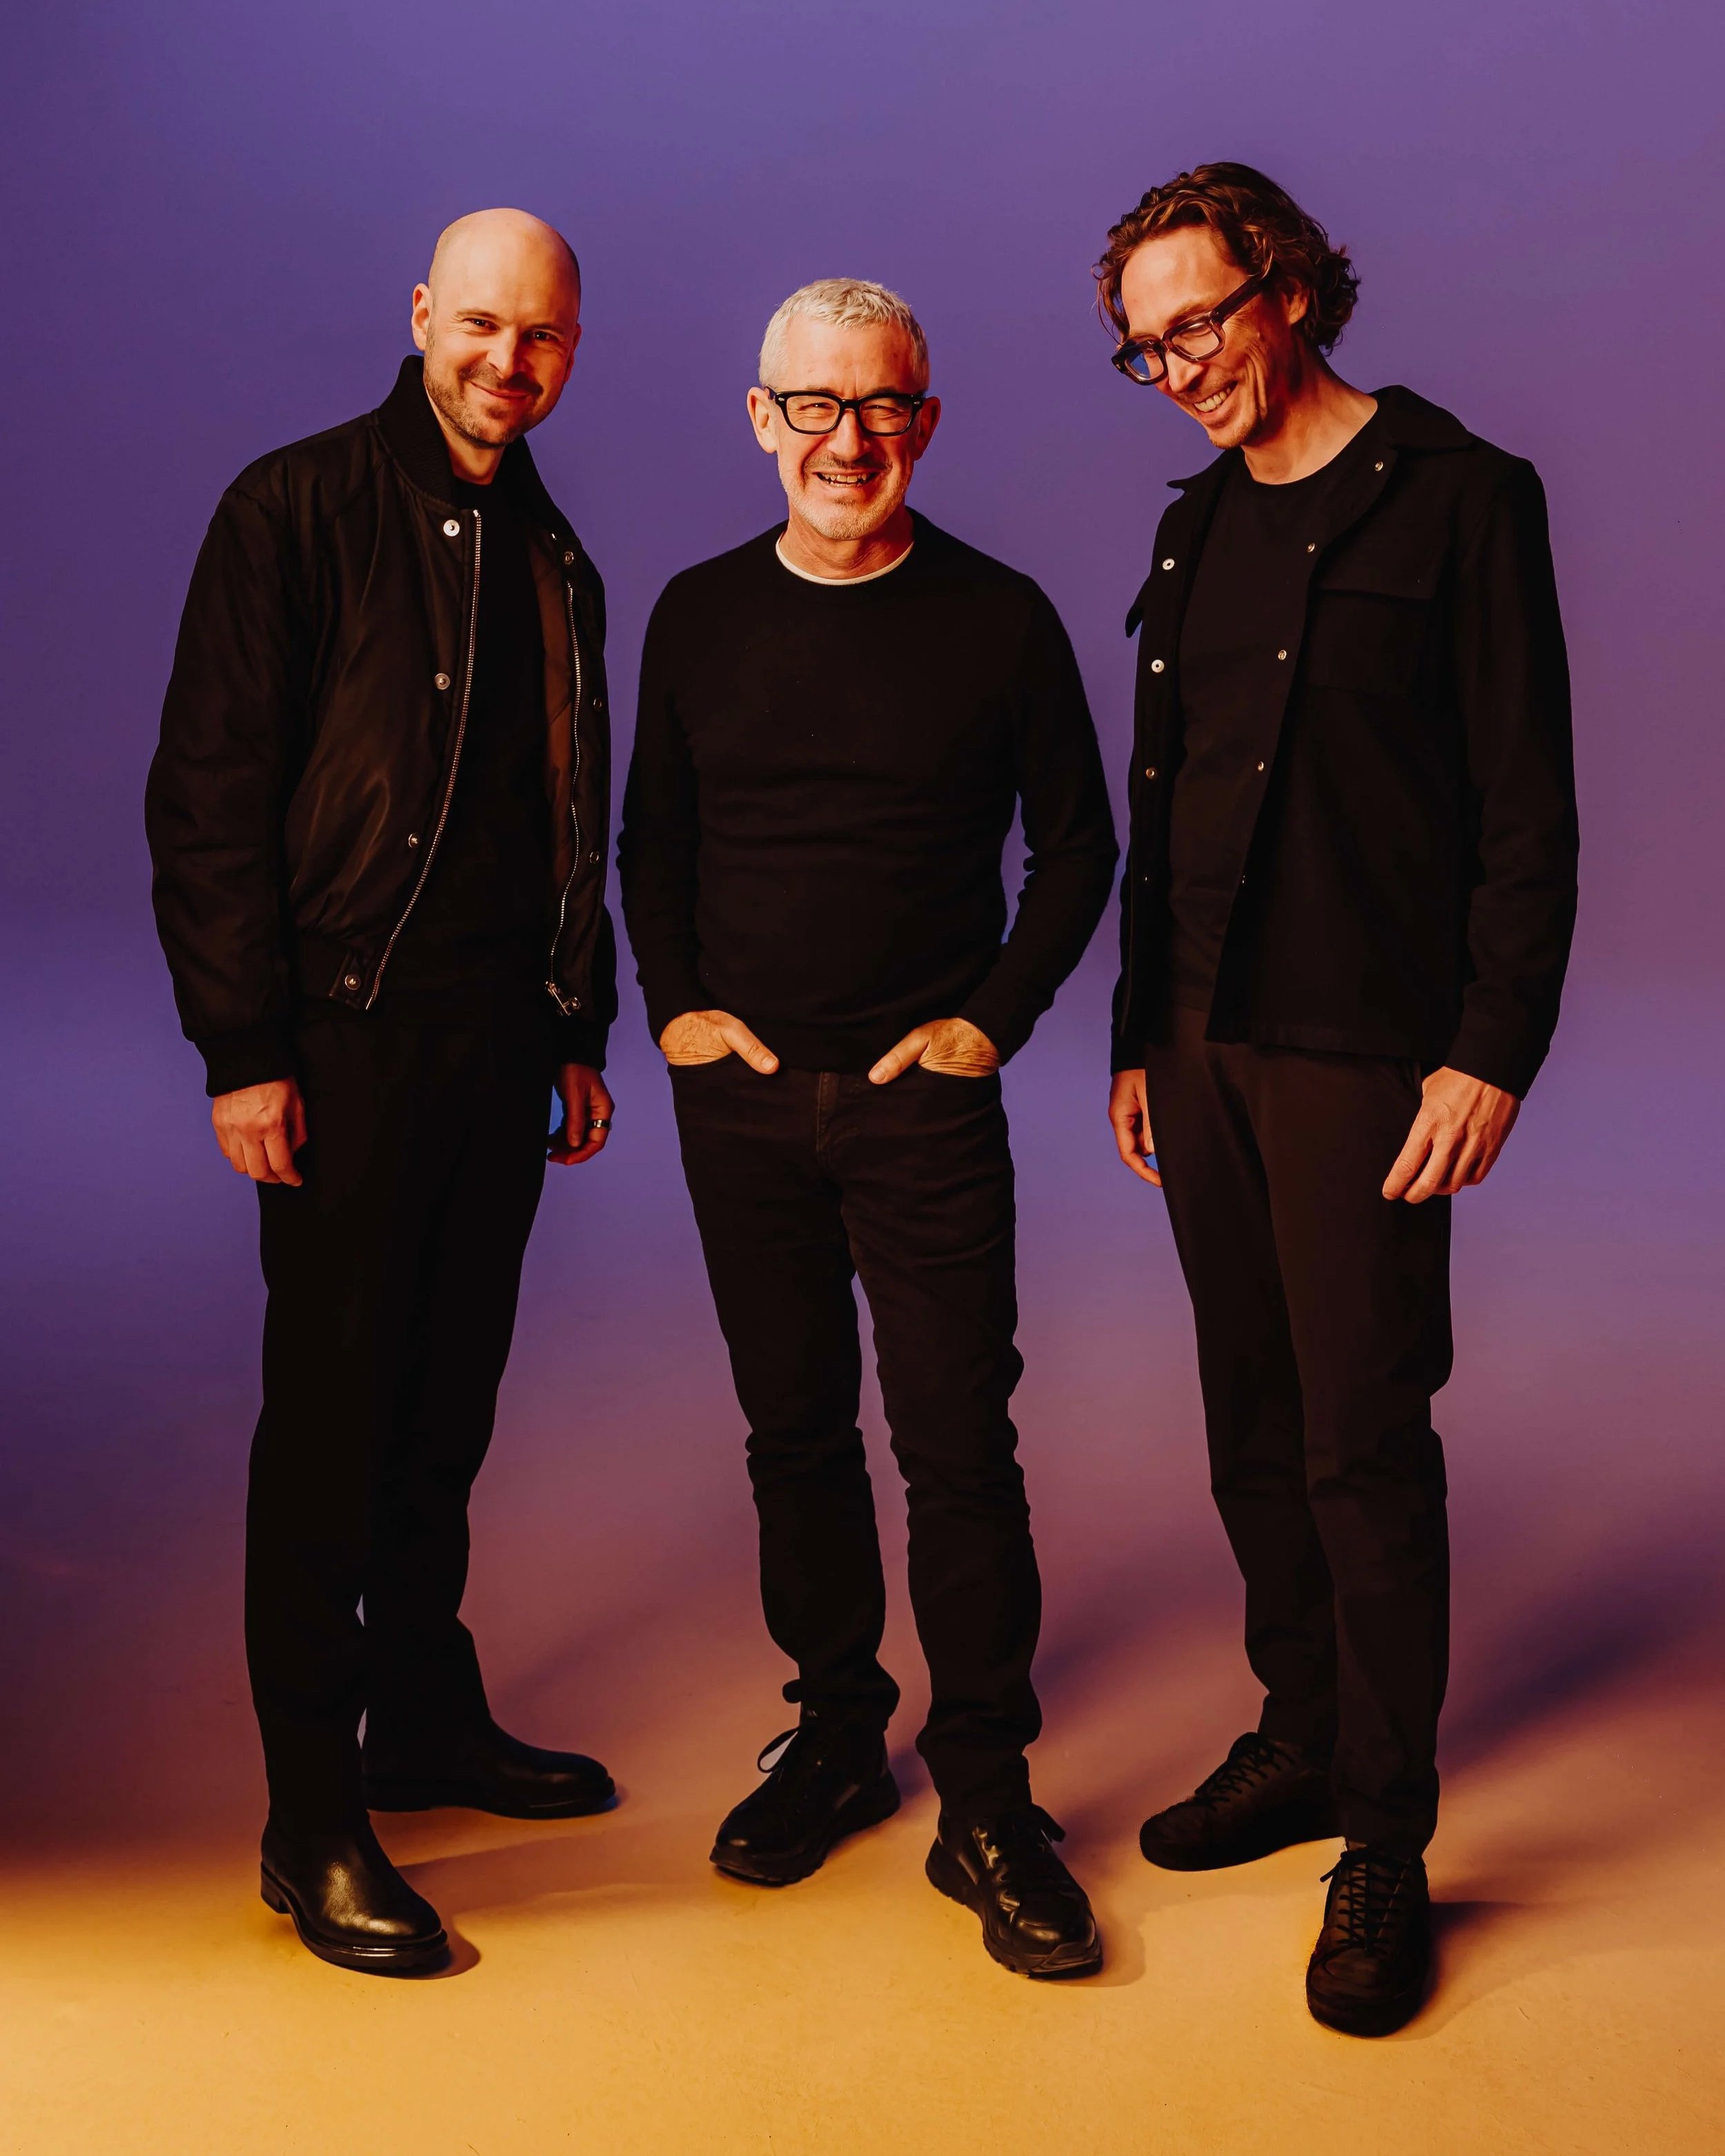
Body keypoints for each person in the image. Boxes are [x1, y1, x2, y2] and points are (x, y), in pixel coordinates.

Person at [1096, 165, 1578, 2035]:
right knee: (1248, 1405)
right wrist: (1140, 1028)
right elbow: (1165, 800)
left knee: (1362, 1435)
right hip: (1203, 1041)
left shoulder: (1461, 498)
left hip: (1366, 1042)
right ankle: (1296, 1725)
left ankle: (1384, 1829)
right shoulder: (1193, 527)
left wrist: (1490, 1041)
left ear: (1287, 286)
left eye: (1196, 321)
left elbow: (1525, 802)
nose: (1177, 368)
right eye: (1142, 349)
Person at [619, 278, 1117, 1979]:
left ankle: (985, 1795)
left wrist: (991, 1021)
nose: (848, 441)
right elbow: (652, 844)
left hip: (922, 1110)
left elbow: (1077, 853)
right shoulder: (693, 614)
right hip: (743, 1108)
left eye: (881, 407)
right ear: (760, 419)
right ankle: (835, 1730)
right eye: (814, 409)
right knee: (793, 1438)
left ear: (925, 418)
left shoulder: (1001, 619)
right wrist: (674, 1009)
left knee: (959, 1449)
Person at [146, 209, 619, 1975]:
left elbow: (565, 809)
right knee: (333, 1427)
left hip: (498, 1044)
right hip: (338, 1036)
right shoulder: (294, 508)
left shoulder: (557, 553)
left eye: (545, 339)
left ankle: (423, 1716)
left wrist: (579, 1018)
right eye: (482, 326)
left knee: (446, 1410)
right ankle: (310, 1817)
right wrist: (242, 1047)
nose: (511, 363)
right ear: (421, 316)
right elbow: (207, 792)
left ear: (577, 349)